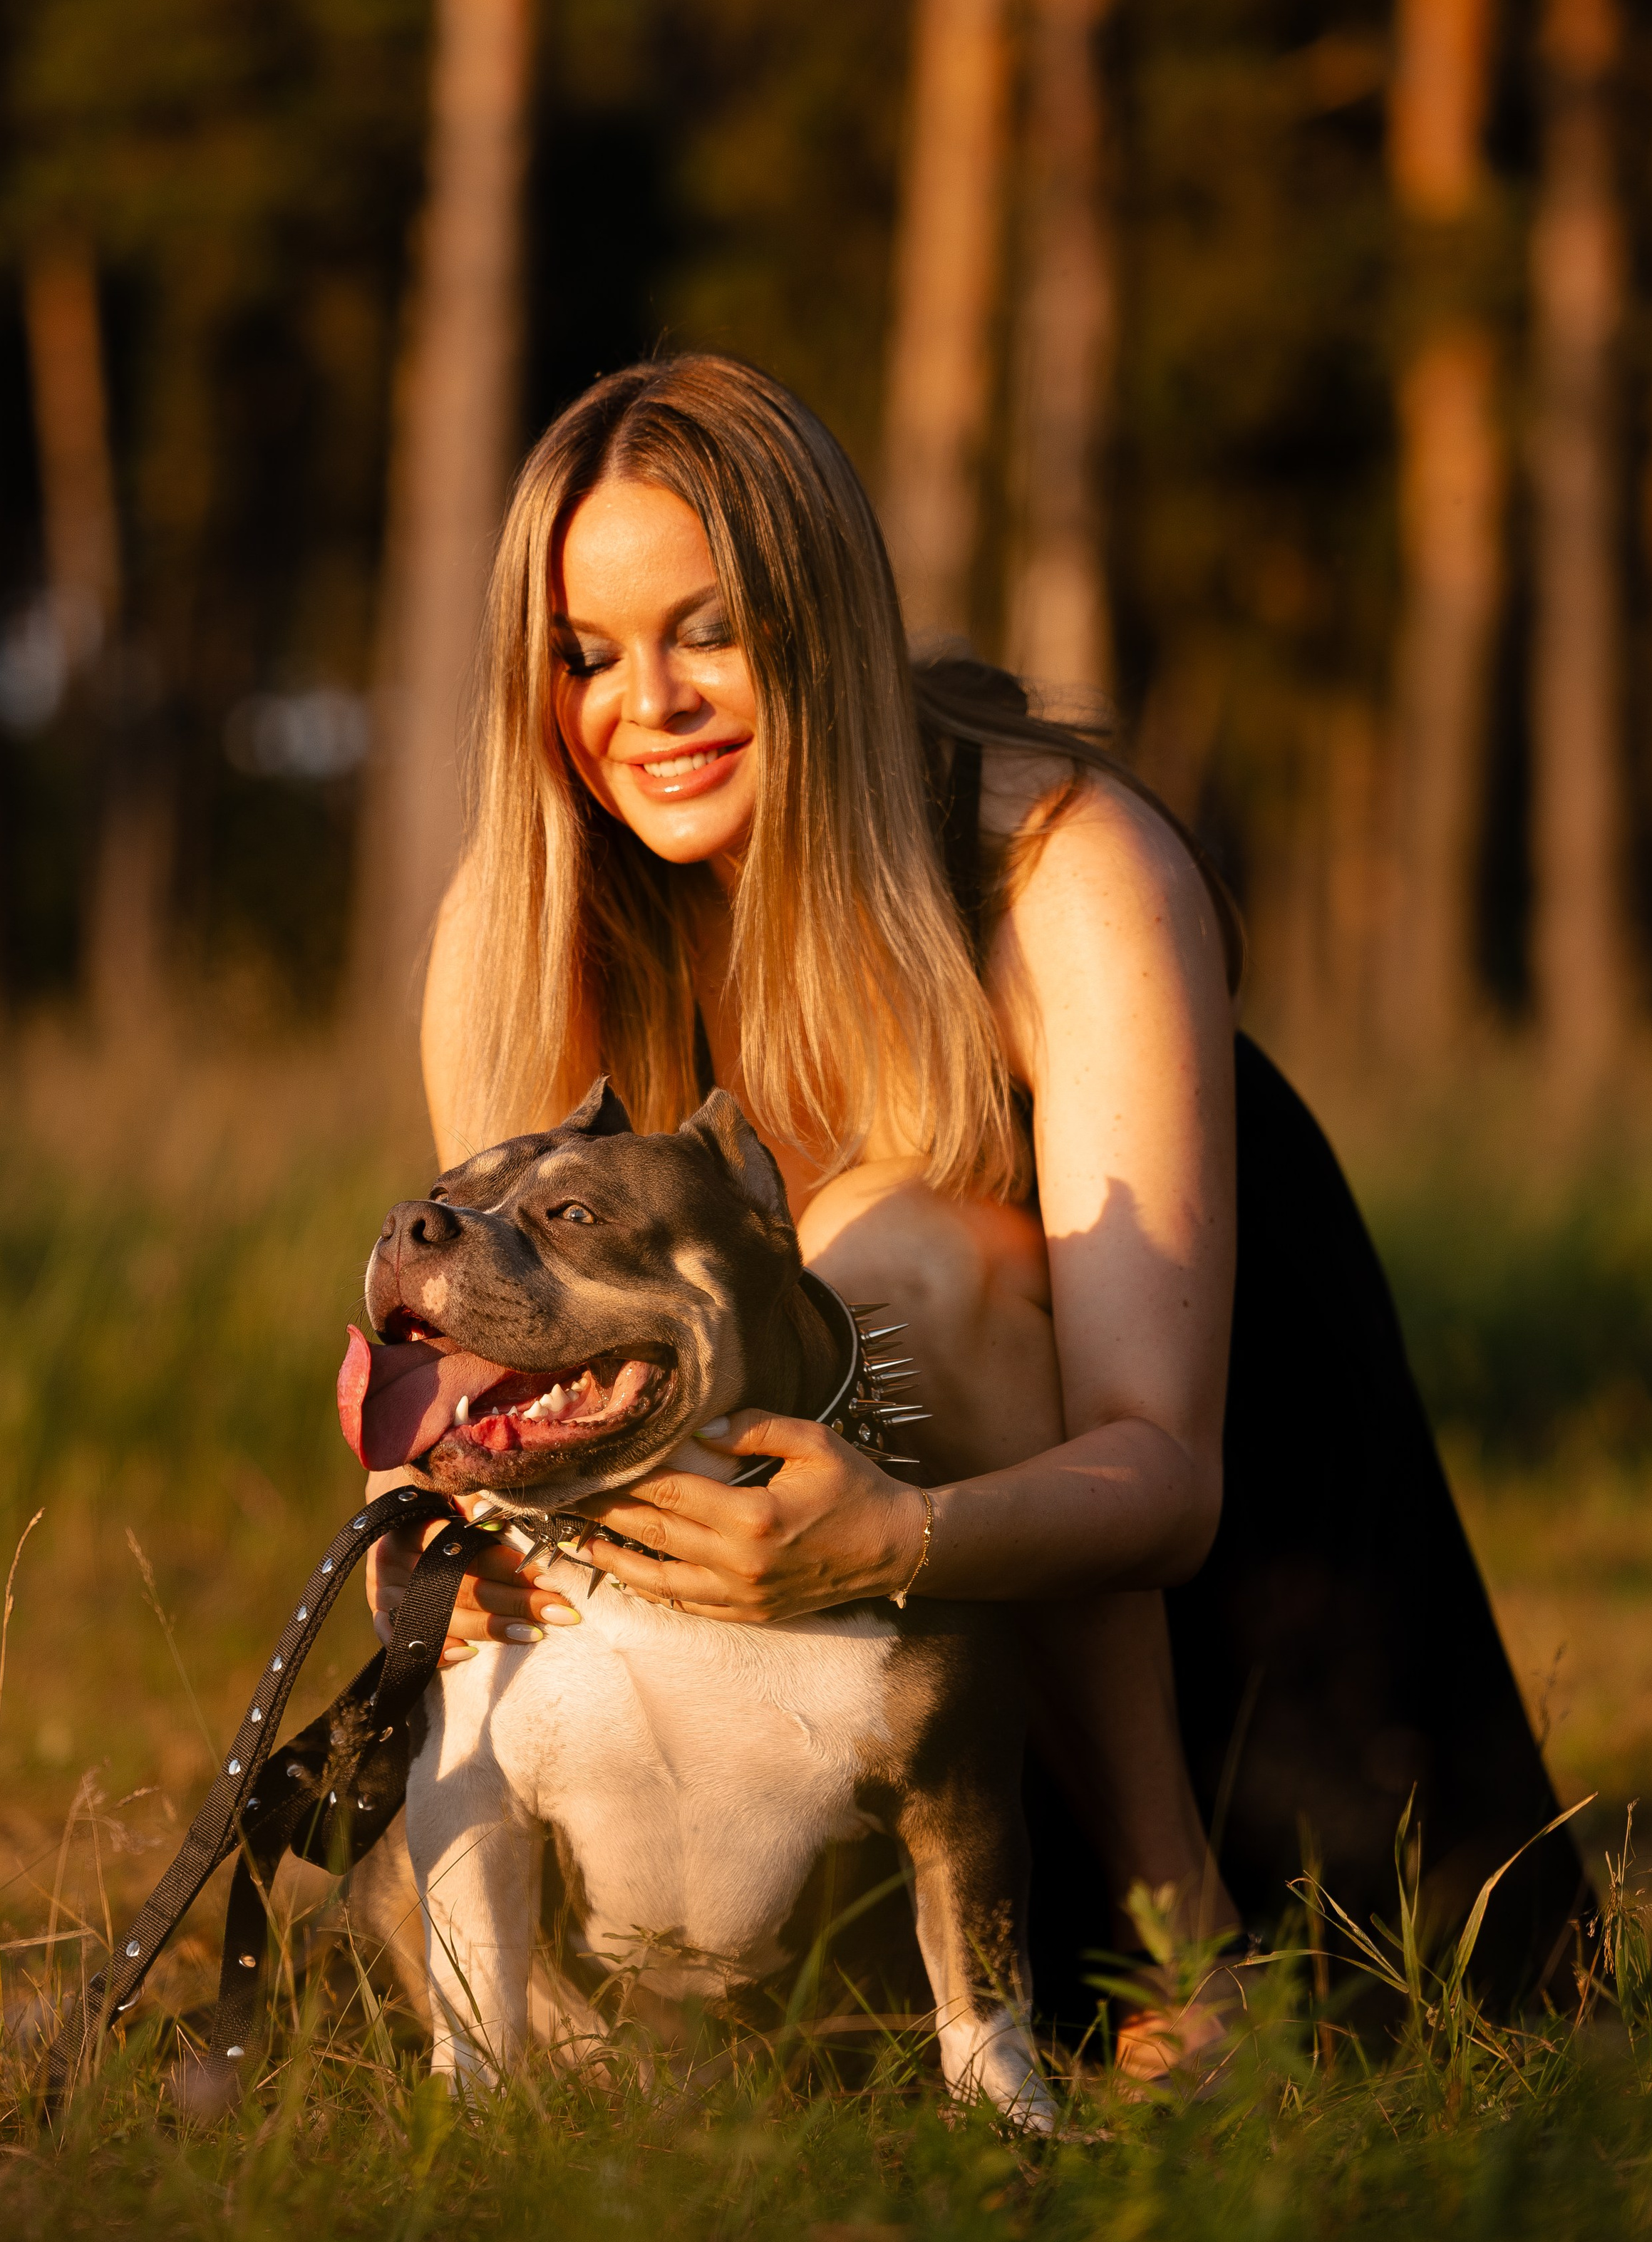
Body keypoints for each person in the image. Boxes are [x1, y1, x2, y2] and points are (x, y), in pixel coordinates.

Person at [368, 353, 1584, 2070]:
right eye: (583, 655)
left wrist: (894, 1538)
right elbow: (501, 1361)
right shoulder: (525, 923)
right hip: (879, 1690)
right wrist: (437, 1510)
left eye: (705, 630)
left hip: (1242, 1657)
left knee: (891, 1255)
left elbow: (1166, 1478)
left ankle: (1183, 1974)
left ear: (818, 616)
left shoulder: (1061, 871)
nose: (645, 701)